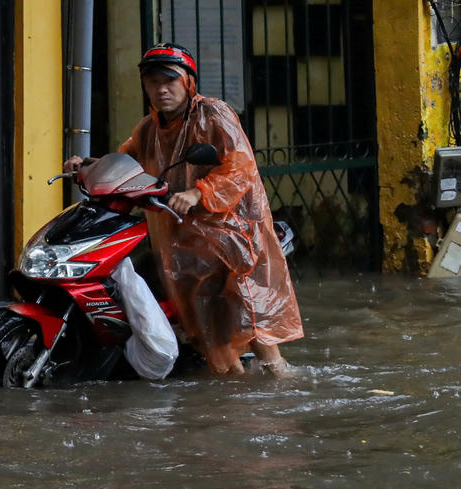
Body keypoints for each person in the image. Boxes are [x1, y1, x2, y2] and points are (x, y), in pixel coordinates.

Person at [65, 43, 303, 375]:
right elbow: (126, 164)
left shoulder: (213, 114)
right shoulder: (148, 129)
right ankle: (234, 389)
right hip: (182, 242)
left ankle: (279, 378)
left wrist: (198, 192)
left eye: (170, 81)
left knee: (247, 314)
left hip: (229, 236)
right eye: (153, 82)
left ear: (188, 82)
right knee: (206, 327)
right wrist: (90, 166)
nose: (161, 89)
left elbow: (240, 167)